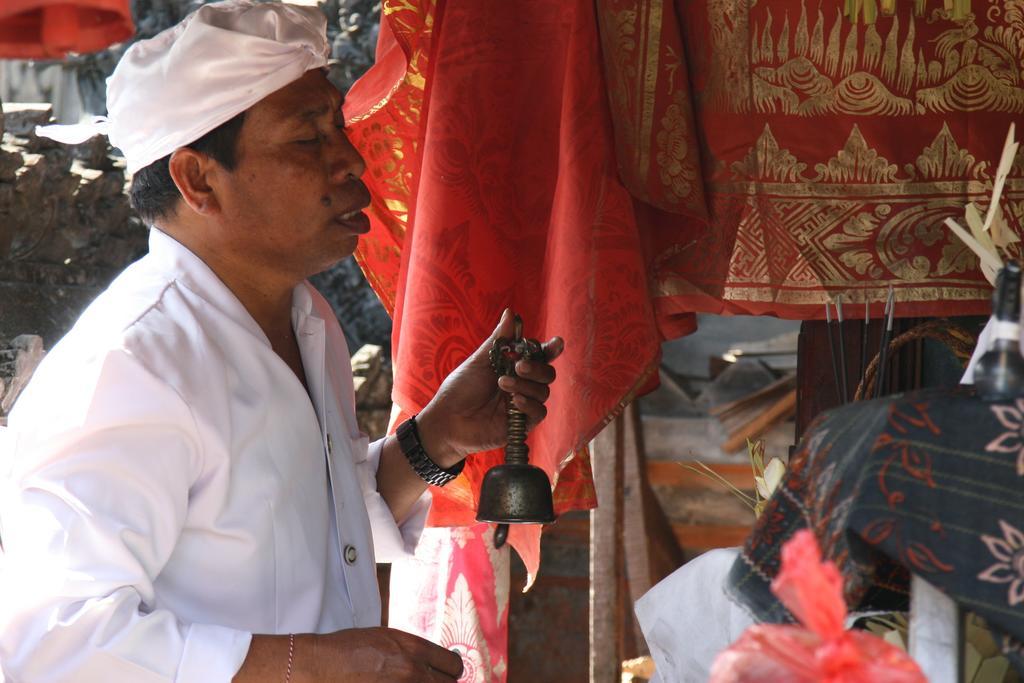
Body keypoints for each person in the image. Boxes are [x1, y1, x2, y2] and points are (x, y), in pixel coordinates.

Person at [0, 2, 563, 681]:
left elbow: (304, 522)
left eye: (338, 127)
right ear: (198, 178)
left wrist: (438, 434)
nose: (351, 160)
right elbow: (54, 640)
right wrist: (313, 663)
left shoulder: (306, 318)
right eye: (308, 140)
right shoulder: (132, 364)